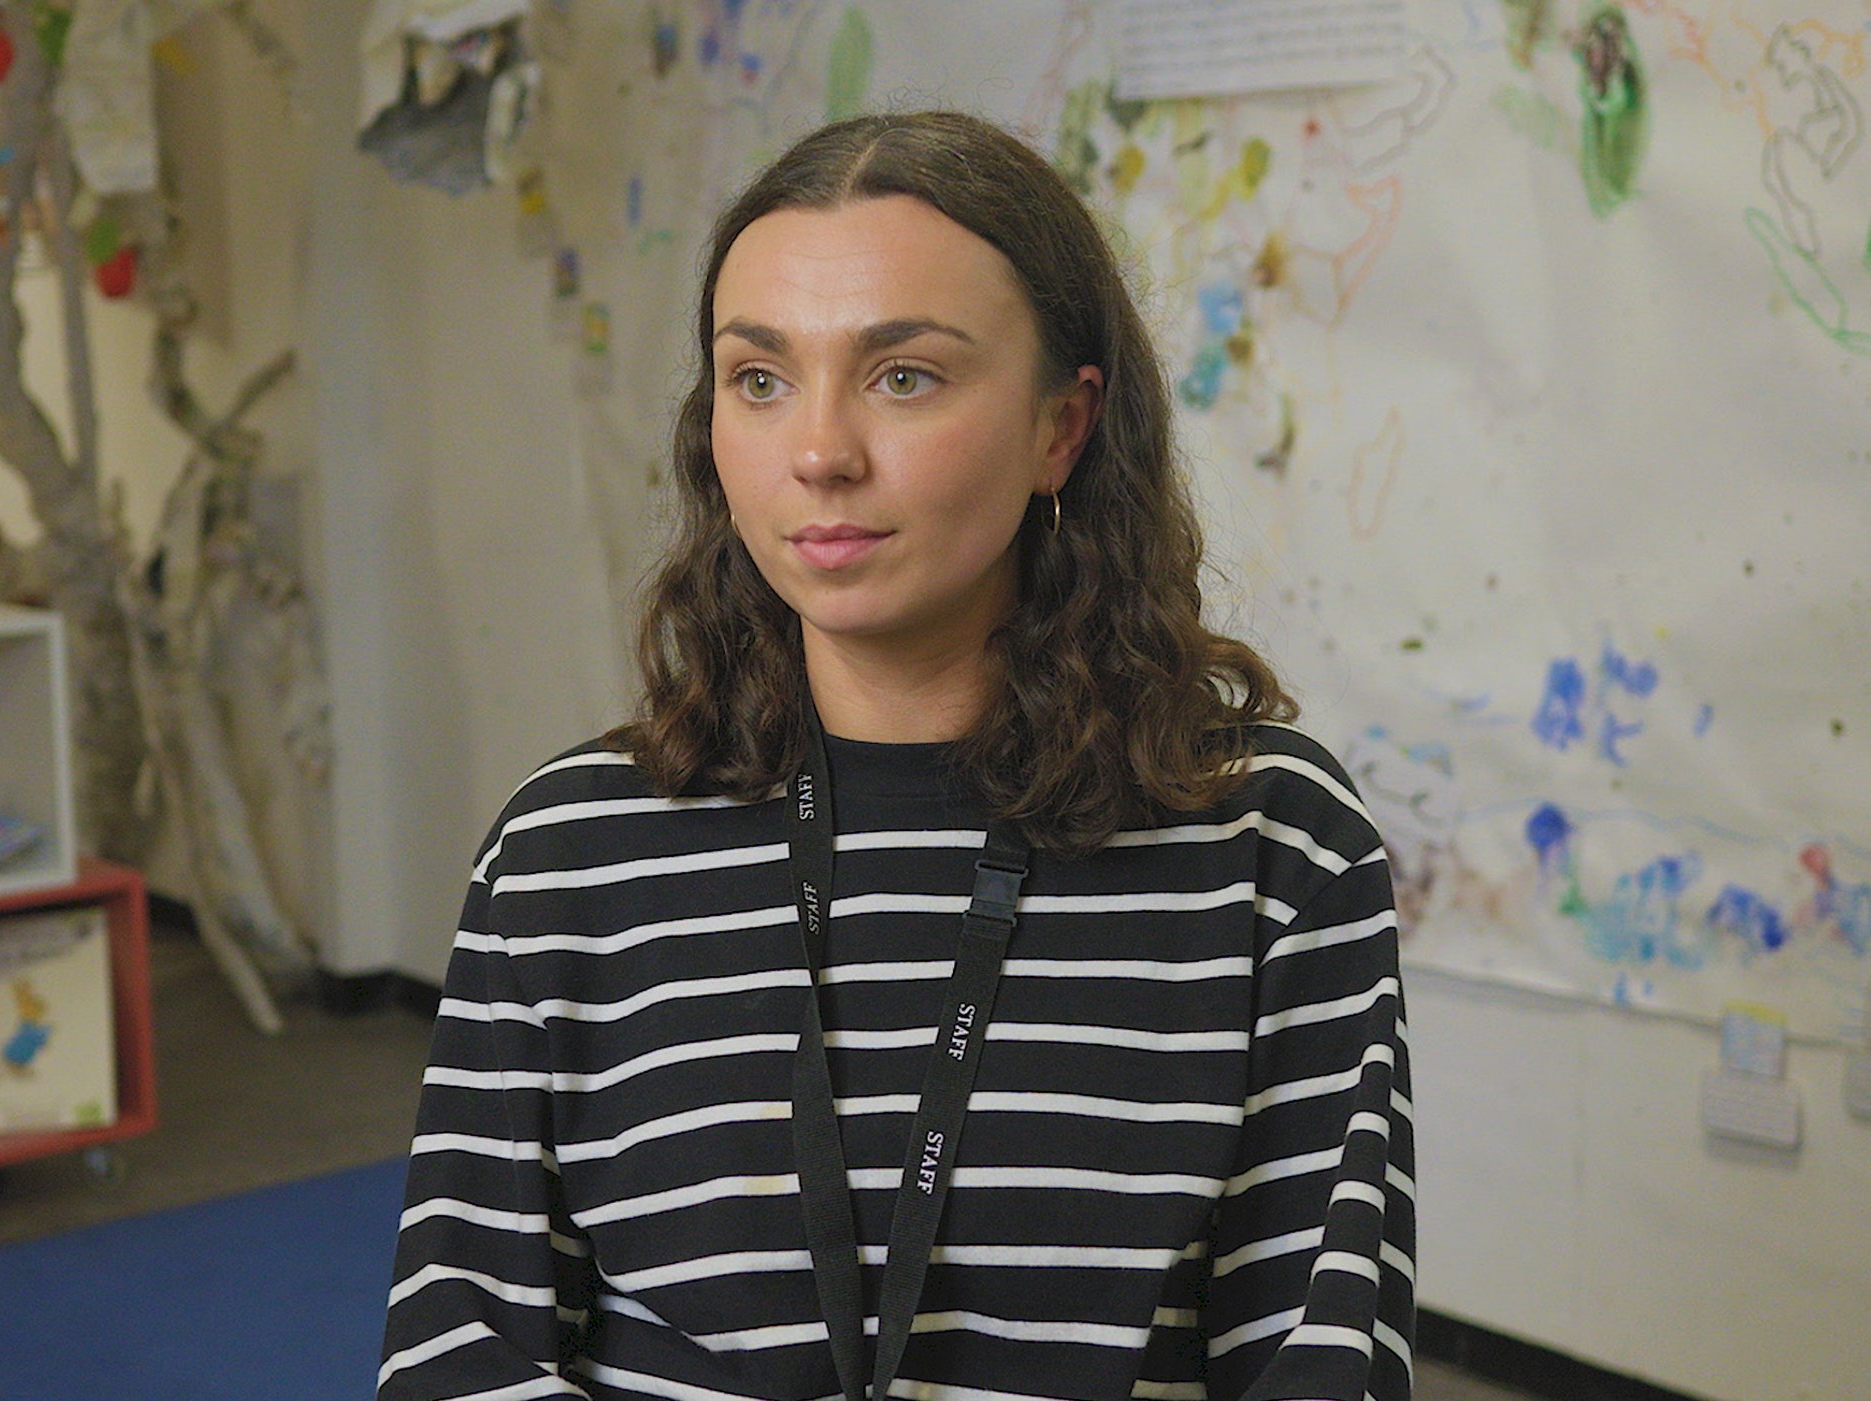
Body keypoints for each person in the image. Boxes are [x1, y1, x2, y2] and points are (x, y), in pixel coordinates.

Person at [378, 111, 1414, 1401]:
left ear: (1061, 428)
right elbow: (462, 1350)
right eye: (760, 379)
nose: (819, 452)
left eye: (903, 376)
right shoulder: (566, 857)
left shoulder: (1267, 847)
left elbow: (1318, 1361)